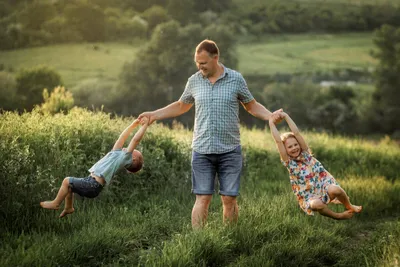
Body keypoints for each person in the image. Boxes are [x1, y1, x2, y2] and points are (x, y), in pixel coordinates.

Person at [138, 39, 280, 228]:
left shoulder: (235, 79)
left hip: (230, 150)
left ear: (216, 57)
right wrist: (154, 115)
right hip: (202, 150)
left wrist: (270, 116)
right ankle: (200, 241)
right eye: (197, 63)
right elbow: (181, 106)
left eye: (203, 63)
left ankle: (230, 239)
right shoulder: (194, 81)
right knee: (202, 197)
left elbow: (251, 105)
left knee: (229, 198)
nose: (200, 66)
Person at [40, 117, 149, 218]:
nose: (129, 149)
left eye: (134, 152)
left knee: (67, 181)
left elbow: (135, 140)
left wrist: (144, 126)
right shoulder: (116, 153)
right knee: (69, 187)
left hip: (93, 185)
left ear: (132, 159)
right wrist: (133, 125)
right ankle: (68, 208)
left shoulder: (125, 158)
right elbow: (122, 137)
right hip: (91, 182)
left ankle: (56, 203)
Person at [269, 111, 362, 220]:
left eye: (296, 144)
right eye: (290, 147)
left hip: (323, 185)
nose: (294, 148)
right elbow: (278, 142)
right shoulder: (289, 162)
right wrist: (271, 123)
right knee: (317, 205)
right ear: (285, 150)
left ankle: (349, 205)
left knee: (336, 189)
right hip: (309, 196)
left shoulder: (306, 154)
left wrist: (286, 116)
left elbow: (297, 133)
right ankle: (338, 216)